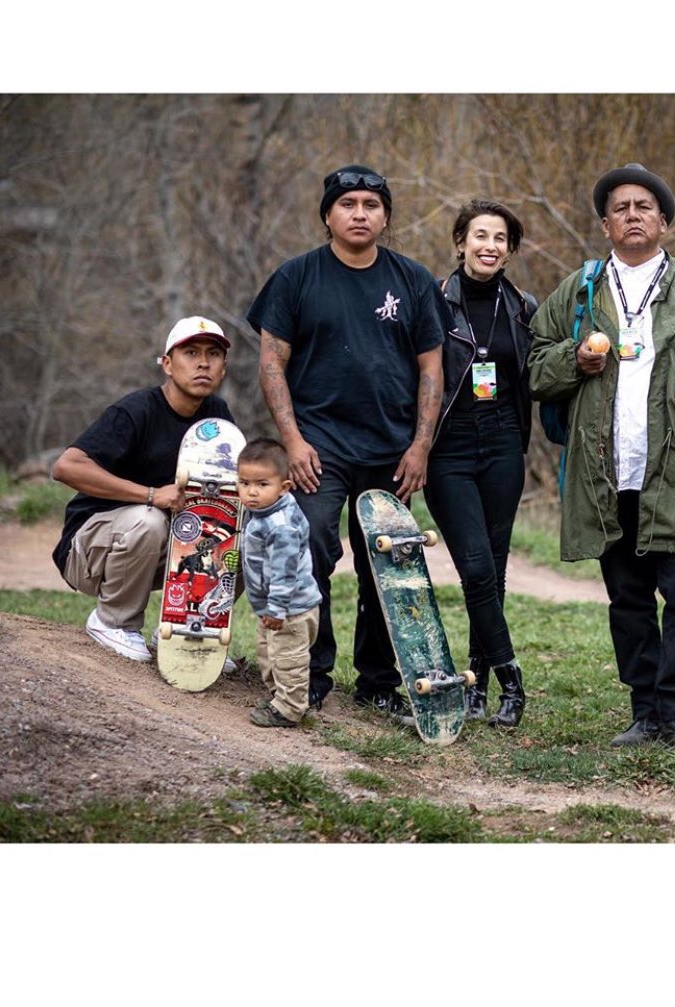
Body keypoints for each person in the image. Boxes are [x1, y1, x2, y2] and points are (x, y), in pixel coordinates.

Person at [529, 163, 675, 751]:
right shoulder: (582, 289)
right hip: (608, 473)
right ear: (605, 225)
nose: (632, 215)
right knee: (627, 600)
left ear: (665, 223)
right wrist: (576, 360)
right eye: (620, 208)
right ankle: (644, 712)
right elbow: (535, 363)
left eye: (644, 207)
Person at [247, 164, 449, 720]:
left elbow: (431, 368)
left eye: (371, 204)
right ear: (328, 214)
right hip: (319, 448)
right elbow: (270, 363)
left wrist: (420, 446)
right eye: (347, 204)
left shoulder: (410, 279)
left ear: (385, 216)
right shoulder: (296, 277)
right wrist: (293, 441)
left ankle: (379, 680)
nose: (359, 214)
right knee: (310, 546)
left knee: (385, 564)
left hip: (392, 448)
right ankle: (309, 672)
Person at [51, 317, 235, 661]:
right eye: (190, 352)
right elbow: (66, 466)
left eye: (213, 354)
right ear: (167, 364)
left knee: (243, 536)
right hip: (93, 550)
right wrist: (152, 494)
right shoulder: (136, 410)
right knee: (149, 518)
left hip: (163, 549)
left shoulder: (217, 415)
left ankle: (189, 627)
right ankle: (113, 622)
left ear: (223, 368)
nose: (203, 362)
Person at [427, 199, 538, 727]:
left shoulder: (523, 308)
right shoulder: (433, 302)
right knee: (473, 565)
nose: (489, 246)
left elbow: (536, 375)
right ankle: (512, 679)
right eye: (480, 236)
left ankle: (476, 686)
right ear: (460, 242)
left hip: (502, 443)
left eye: (500, 239)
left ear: (509, 251)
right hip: (449, 446)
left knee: (491, 571)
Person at [237, 437, 322, 728]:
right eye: (244, 483)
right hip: (273, 608)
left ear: (284, 487)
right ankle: (280, 697)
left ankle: (289, 709)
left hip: (291, 609)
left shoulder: (280, 526)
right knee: (269, 653)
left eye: (262, 484)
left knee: (289, 660)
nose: (251, 492)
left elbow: (285, 572)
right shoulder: (262, 512)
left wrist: (276, 608)